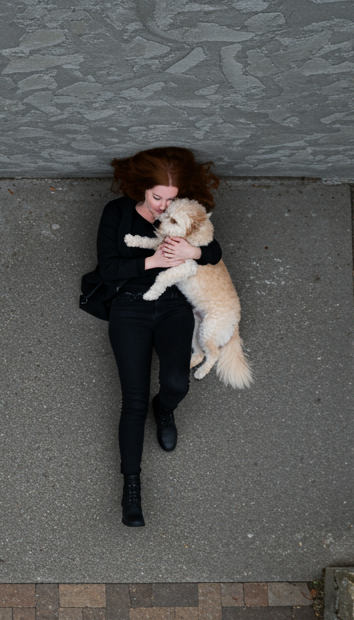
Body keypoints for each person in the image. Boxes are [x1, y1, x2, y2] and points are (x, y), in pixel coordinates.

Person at [96, 147, 221, 527]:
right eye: (157, 198)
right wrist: (154, 261)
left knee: (177, 382)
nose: (165, 207)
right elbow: (108, 269)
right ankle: (130, 489)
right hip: (129, 307)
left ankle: (164, 408)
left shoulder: (186, 210)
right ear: (141, 188)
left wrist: (193, 250)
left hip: (172, 305)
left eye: (171, 198)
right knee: (131, 400)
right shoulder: (117, 213)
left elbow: (214, 252)